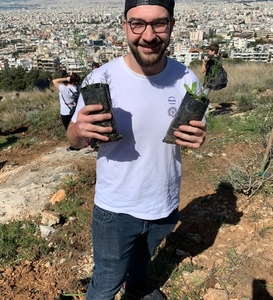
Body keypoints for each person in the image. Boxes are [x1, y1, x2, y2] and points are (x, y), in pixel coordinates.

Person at [67, 0, 207, 298]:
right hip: (116, 207)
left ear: (171, 26)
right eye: (137, 24)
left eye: (159, 23)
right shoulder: (101, 79)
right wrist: (79, 130)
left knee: (140, 267)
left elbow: (193, 135)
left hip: (165, 203)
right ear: (125, 27)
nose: (148, 35)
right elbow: (74, 140)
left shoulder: (187, 80)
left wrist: (199, 139)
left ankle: (137, 290)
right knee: (106, 282)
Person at [52, 73, 81, 151]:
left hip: (66, 112)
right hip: (75, 110)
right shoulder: (77, 88)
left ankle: (74, 146)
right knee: (76, 128)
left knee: (69, 130)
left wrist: (66, 79)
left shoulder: (65, 89)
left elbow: (54, 81)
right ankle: (81, 143)